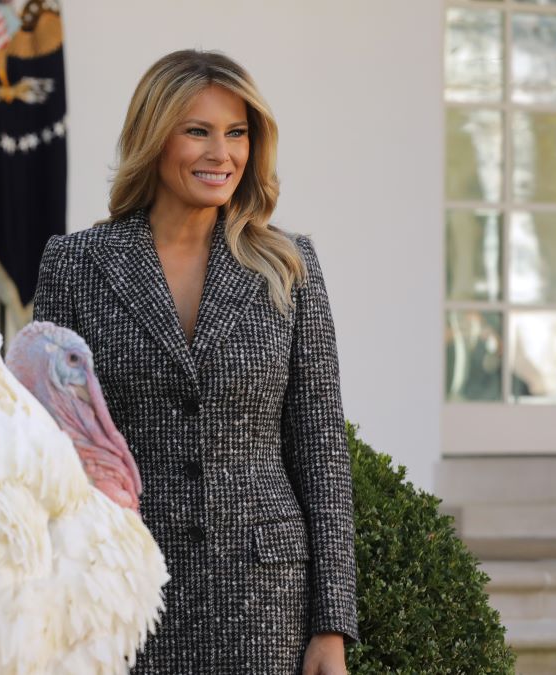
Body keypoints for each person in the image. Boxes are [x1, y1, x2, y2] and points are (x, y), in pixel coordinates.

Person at [32, 50, 357, 673]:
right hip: (122, 592)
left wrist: (332, 624)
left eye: (236, 133)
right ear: (155, 138)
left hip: (266, 600)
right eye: (198, 131)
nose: (222, 154)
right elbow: (49, 444)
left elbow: (319, 444)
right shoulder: (75, 264)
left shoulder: (290, 266)